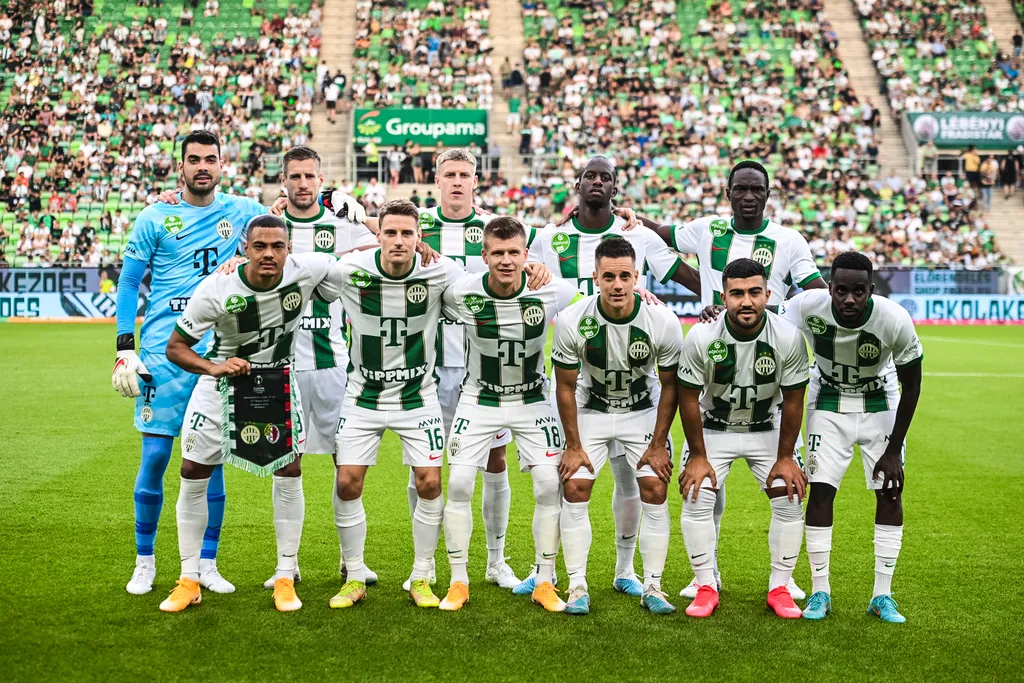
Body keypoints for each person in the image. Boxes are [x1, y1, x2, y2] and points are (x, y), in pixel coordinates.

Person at [631, 160, 825, 600]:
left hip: (764, 366)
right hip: (714, 353)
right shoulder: (707, 229)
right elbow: (664, 232)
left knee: (785, 489)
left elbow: (812, 292)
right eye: (741, 188)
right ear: (729, 192)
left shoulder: (788, 240)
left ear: (769, 192)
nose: (749, 196)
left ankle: (784, 577)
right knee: (705, 494)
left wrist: (781, 320)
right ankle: (707, 576)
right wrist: (632, 219)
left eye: (757, 189)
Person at [521, 155, 700, 597]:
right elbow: (517, 266)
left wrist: (718, 301)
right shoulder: (551, 236)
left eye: (605, 177)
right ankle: (546, 570)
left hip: (634, 371)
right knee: (558, 481)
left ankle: (626, 570)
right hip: (580, 371)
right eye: (590, 176)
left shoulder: (634, 233)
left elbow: (678, 271)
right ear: (577, 184)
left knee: (632, 481)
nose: (597, 182)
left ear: (615, 187)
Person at [113, 130, 267, 597]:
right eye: (194, 159)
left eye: (211, 159)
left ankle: (206, 563)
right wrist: (125, 347)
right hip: (163, 355)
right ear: (179, 166)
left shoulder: (241, 212)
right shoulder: (155, 215)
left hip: (216, 355)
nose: (203, 166)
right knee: (157, 456)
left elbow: (293, 205)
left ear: (223, 165)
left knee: (211, 462)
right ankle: (145, 562)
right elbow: (127, 283)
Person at [160, 215, 336, 613]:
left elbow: (359, 260)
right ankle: (189, 578)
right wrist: (214, 367)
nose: (269, 254)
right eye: (260, 246)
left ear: (289, 248)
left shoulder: (306, 270)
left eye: (277, 246)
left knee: (289, 470)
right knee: (191, 470)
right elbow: (176, 347)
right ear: (244, 249)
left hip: (277, 382)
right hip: (220, 384)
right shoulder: (216, 289)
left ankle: (286, 576)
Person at [318, 200, 470, 609]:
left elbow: (485, 285)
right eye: (391, 233)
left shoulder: (441, 271)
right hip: (362, 395)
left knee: (430, 482)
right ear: (378, 235)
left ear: (420, 237)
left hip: (417, 397)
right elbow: (302, 272)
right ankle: (353, 575)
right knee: (347, 481)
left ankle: (422, 575)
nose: (399, 240)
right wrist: (233, 265)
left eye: (407, 233)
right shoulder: (350, 269)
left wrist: (534, 269)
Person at [439, 217, 578, 613]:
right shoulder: (462, 291)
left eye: (513, 252)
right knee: (462, 482)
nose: (505, 260)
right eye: (497, 253)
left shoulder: (550, 289)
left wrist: (645, 295)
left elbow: (597, 302)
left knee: (549, 487)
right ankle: (458, 580)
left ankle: (545, 580)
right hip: (479, 397)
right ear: (483, 256)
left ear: (526, 255)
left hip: (532, 399)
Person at [258, 145, 381, 589]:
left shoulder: (340, 224)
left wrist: (364, 215)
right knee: (286, 465)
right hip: (280, 367)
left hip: (334, 366)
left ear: (322, 179)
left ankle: (354, 561)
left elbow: (386, 243)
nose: (304, 184)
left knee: (345, 463)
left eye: (311, 176)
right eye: (296, 176)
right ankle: (287, 565)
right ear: (284, 180)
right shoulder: (267, 227)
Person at [780, 251, 923, 623]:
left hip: (880, 402)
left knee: (890, 491)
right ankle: (820, 591)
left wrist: (893, 450)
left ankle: (882, 595)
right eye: (841, 290)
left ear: (871, 290)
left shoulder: (894, 319)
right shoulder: (805, 307)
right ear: (829, 287)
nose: (849, 299)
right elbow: (766, 321)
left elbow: (913, 385)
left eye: (858, 291)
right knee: (822, 490)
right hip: (827, 400)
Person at [552, 237, 682, 615]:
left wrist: (658, 444)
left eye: (625, 276)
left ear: (637, 276)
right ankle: (577, 584)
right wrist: (573, 445)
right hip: (591, 409)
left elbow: (670, 385)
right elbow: (563, 386)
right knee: (574, 485)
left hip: (641, 410)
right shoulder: (575, 320)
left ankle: (651, 584)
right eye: (609, 276)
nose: (618, 285)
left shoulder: (662, 320)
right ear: (595, 277)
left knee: (655, 487)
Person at [677, 258, 809, 620]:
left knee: (790, 496)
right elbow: (687, 398)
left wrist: (785, 458)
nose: (746, 301)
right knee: (696, 493)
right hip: (714, 429)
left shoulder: (787, 337)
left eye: (754, 292)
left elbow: (794, 399)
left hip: (766, 428)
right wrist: (698, 456)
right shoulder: (702, 336)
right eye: (737, 294)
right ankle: (706, 585)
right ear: (724, 296)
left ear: (768, 294)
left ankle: (780, 587)